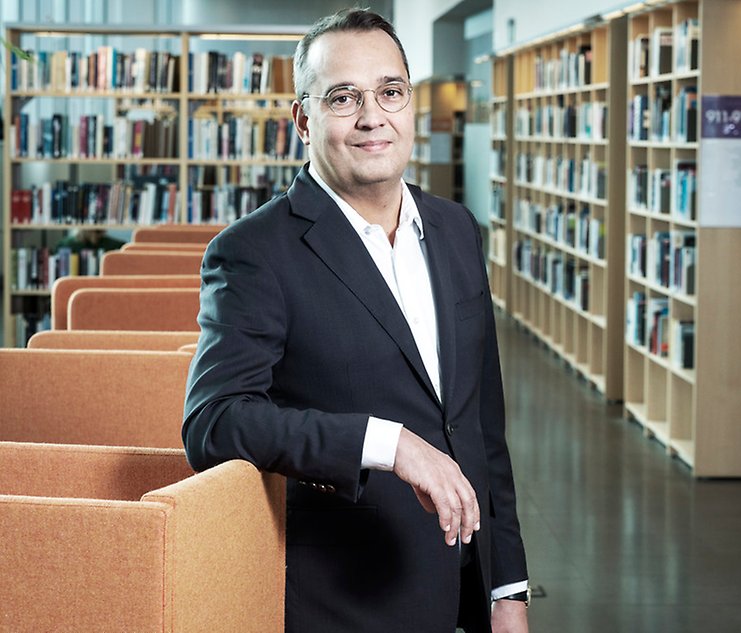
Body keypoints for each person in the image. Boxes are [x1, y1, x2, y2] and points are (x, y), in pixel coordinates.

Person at [182, 9, 529, 633]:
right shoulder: (254, 251)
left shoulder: (456, 230)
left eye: (390, 92)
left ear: (410, 105)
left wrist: (507, 589)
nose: (373, 117)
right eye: (344, 97)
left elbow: (481, 424)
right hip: (344, 602)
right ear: (303, 119)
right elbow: (214, 422)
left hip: (462, 591)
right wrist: (386, 443)